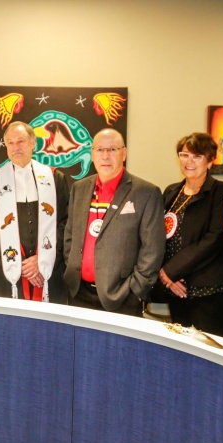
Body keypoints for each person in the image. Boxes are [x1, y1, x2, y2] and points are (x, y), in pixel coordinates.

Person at [64, 128, 165, 315]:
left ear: (124, 153)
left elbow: (153, 249)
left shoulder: (146, 192)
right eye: (100, 150)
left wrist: (136, 290)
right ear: (92, 154)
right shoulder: (79, 188)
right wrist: (72, 266)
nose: (105, 156)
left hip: (122, 297)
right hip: (79, 293)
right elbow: (70, 234)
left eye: (112, 150)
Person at [0, 121, 69, 302]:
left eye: (21, 141)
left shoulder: (55, 178)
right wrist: (19, 265)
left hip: (49, 271)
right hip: (8, 273)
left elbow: (66, 223)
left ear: (33, 142)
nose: (15, 147)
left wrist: (42, 259)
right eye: (10, 143)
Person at [158, 133, 223, 335]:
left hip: (209, 288)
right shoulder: (171, 191)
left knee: (208, 350)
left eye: (197, 156)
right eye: (184, 155)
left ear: (210, 161)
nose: (189, 161)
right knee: (181, 348)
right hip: (175, 286)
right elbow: (157, 235)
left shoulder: (222, 192)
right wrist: (164, 273)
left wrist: (171, 271)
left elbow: (214, 239)